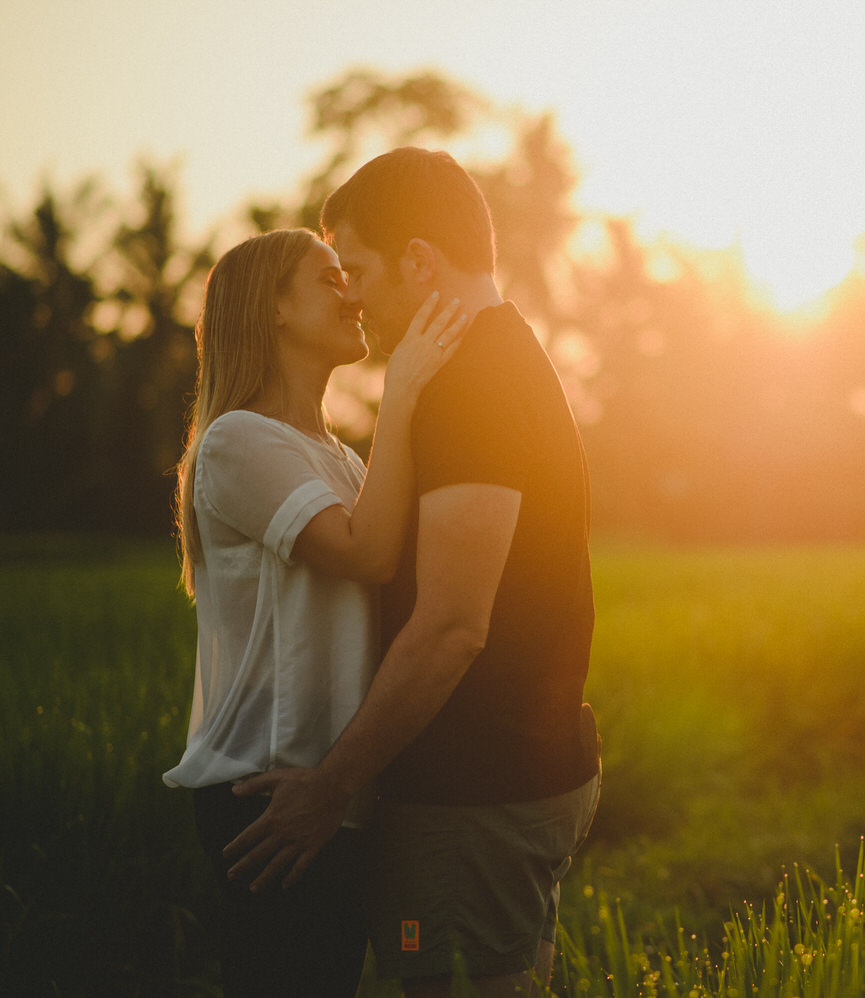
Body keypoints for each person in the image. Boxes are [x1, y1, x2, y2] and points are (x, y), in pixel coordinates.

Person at [223, 148, 602, 997]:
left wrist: (330, 789)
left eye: (355, 268)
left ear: (421, 262)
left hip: (476, 789)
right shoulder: (490, 359)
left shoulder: (473, 381)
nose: (351, 292)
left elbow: (451, 625)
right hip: (501, 776)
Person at [163, 227, 470, 996]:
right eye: (329, 278)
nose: (352, 294)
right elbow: (367, 554)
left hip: (330, 788)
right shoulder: (239, 441)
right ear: (273, 310)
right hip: (266, 791)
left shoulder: (341, 458)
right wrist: (401, 393)